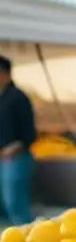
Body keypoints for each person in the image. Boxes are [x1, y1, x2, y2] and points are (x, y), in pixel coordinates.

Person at [0, 55, 36, 226]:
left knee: (14, 202)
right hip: (3, 158)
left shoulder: (17, 98)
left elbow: (28, 133)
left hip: (14, 159)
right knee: (4, 205)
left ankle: (26, 237)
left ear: (5, 74)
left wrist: (13, 148)